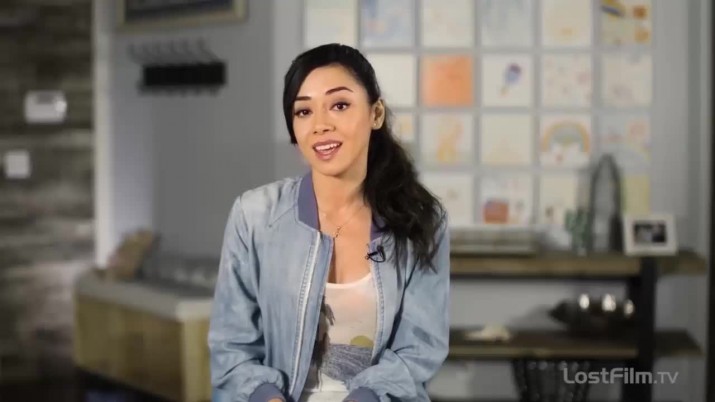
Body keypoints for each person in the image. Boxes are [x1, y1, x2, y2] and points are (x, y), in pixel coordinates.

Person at [208, 43, 450, 402]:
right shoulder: (254, 215)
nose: (320, 125)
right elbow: (231, 347)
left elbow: (419, 348)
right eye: (304, 111)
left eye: (339, 105)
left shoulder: (421, 218)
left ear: (376, 113)